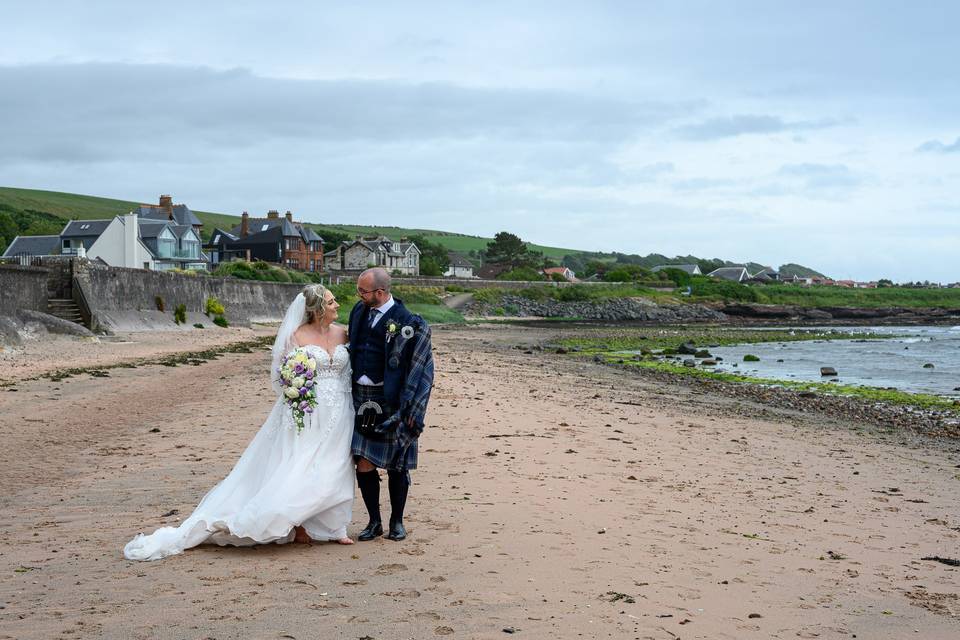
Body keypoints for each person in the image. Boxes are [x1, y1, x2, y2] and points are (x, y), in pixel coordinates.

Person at [123, 284, 356, 561]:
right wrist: (297, 390)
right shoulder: (296, 336)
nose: (337, 305)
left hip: (340, 409)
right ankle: (299, 523)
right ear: (318, 308)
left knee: (337, 464)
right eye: (331, 302)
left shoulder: (344, 333)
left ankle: (335, 526)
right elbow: (285, 373)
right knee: (300, 463)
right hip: (306, 411)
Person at [348, 268, 434, 542]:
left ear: (381, 293)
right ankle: (374, 522)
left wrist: (411, 408)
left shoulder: (408, 321)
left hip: (393, 399)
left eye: (363, 291)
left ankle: (397, 521)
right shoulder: (358, 312)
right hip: (361, 397)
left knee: (398, 462)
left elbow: (421, 368)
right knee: (362, 460)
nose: (359, 295)